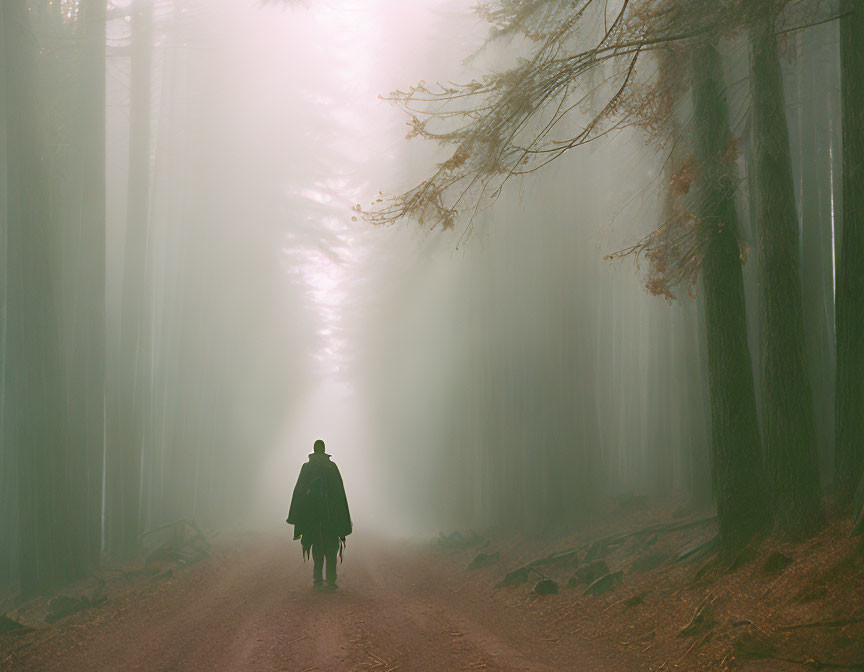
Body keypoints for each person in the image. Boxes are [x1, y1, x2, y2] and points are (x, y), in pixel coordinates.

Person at [286, 439, 352, 591]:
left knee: (316, 547)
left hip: (312, 518)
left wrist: (298, 516)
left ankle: (317, 581)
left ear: (314, 450)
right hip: (331, 518)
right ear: (324, 450)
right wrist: (342, 520)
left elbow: (299, 492)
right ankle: (330, 581)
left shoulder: (307, 468)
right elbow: (339, 495)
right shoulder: (331, 467)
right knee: (330, 549)